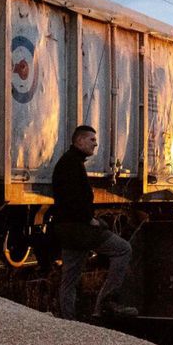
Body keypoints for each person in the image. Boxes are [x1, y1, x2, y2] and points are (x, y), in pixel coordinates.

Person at [51, 125, 135, 320]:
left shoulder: (69, 162)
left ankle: (68, 321)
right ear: (79, 141)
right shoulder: (71, 165)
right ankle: (105, 304)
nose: (95, 144)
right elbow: (72, 199)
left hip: (68, 229)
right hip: (80, 229)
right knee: (123, 249)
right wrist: (91, 220)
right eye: (91, 140)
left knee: (69, 279)